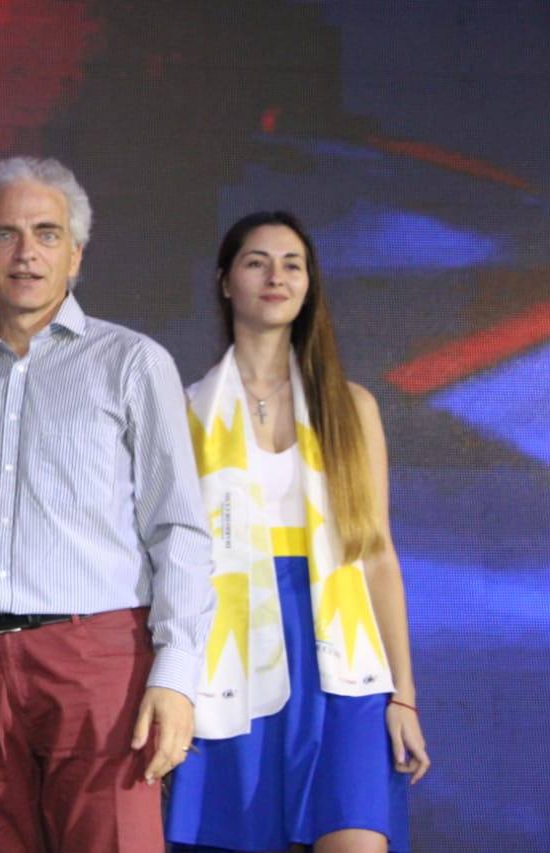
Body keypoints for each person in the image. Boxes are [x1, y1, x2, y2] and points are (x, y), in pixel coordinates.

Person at [0, 155, 216, 852]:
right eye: (6, 235)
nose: (26, 252)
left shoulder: (132, 362)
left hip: (100, 660)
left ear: (76, 254)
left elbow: (179, 528)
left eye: (47, 233)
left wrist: (176, 676)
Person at [166, 211, 430, 852]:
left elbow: (377, 556)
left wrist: (405, 696)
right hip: (229, 654)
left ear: (309, 285)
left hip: (342, 660)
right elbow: (169, 560)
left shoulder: (351, 407)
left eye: (292, 264)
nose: (276, 277)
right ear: (225, 281)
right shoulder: (184, 409)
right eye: (256, 262)